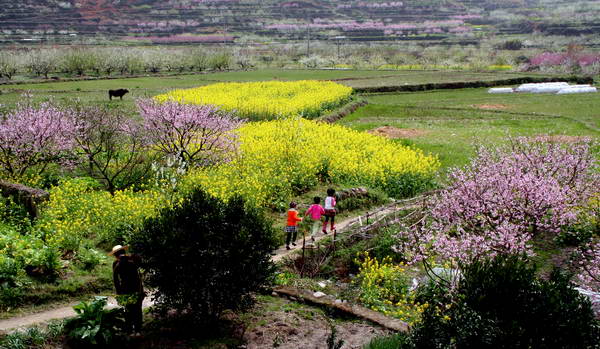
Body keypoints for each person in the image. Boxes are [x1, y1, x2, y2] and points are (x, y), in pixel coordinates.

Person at [110, 245, 145, 334]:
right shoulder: (132, 260)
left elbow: (116, 280)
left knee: (129, 310)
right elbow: (139, 275)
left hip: (125, 289)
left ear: (115, 255)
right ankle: (137, 330)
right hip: (136, 288)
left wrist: (118, 292)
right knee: (136, 310)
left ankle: (131, 330)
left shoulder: (118, 263)